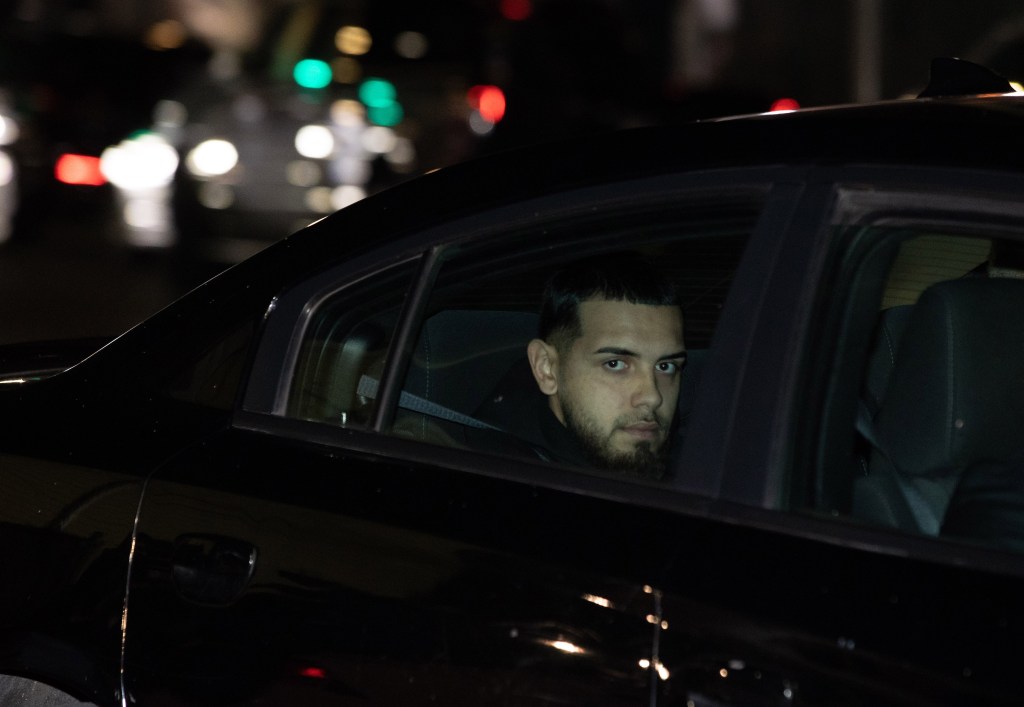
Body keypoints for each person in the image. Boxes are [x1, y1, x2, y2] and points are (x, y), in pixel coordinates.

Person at [476, 255, 686, 479]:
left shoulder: (699, 454)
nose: (653, 397)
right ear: (546, 369)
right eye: (615, 364)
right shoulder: (490, 475)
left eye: (666, 366)